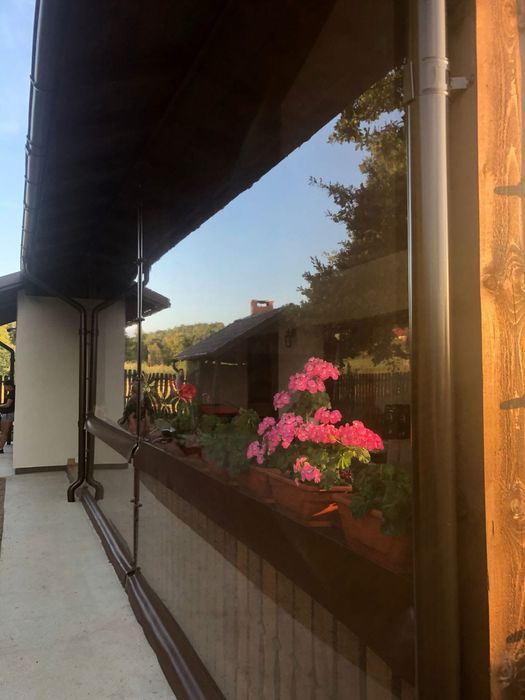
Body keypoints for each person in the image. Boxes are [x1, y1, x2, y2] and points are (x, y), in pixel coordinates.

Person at [0, 380, 15, 454]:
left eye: (5, 386)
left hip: (8, 414)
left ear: (9, 386)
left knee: (4, 432)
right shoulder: (12, 392)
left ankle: (0, 448)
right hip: (7, 414)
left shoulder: (12, 393)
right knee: (3, 432)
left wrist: (0, 406)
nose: (5, 388)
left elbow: (8, 405)